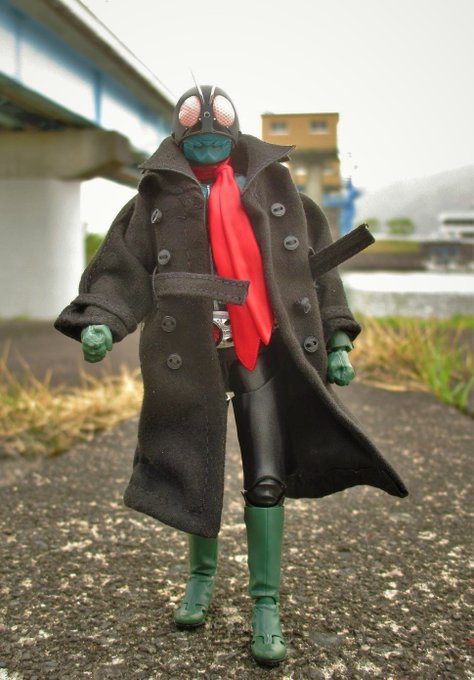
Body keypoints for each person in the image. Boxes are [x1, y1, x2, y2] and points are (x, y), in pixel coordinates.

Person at [55, 85, 407, 667]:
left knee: (266, 478)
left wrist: (338, 339)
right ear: (178, 135)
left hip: (262, 349)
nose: (206, 136)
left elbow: (316, 270)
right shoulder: (156, 197)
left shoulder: (276, 190)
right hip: (189, 350)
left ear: (235, 130)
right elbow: (125, 267)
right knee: (194, 467)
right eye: (194, 128)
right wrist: (104, 321)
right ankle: (200, 580)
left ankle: (266, 603)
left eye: (216, 125)